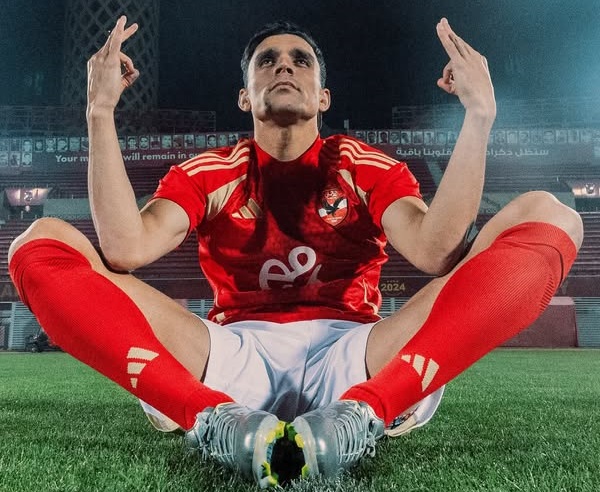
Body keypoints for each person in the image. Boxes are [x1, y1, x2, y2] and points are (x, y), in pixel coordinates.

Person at [8, 15, 583, 489]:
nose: (284, 66)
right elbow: (125, 248)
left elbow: (435, 251)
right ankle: (209, 417)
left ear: (323, 96)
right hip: (229, 354)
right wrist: (99, 112)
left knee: (550, 213)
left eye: (300, 60)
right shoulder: (212, 172)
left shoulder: (359, 163)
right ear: (245, 96)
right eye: (267, 61)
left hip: (355, 351)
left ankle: (366, 411)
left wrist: (478, 117)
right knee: (40, 240)